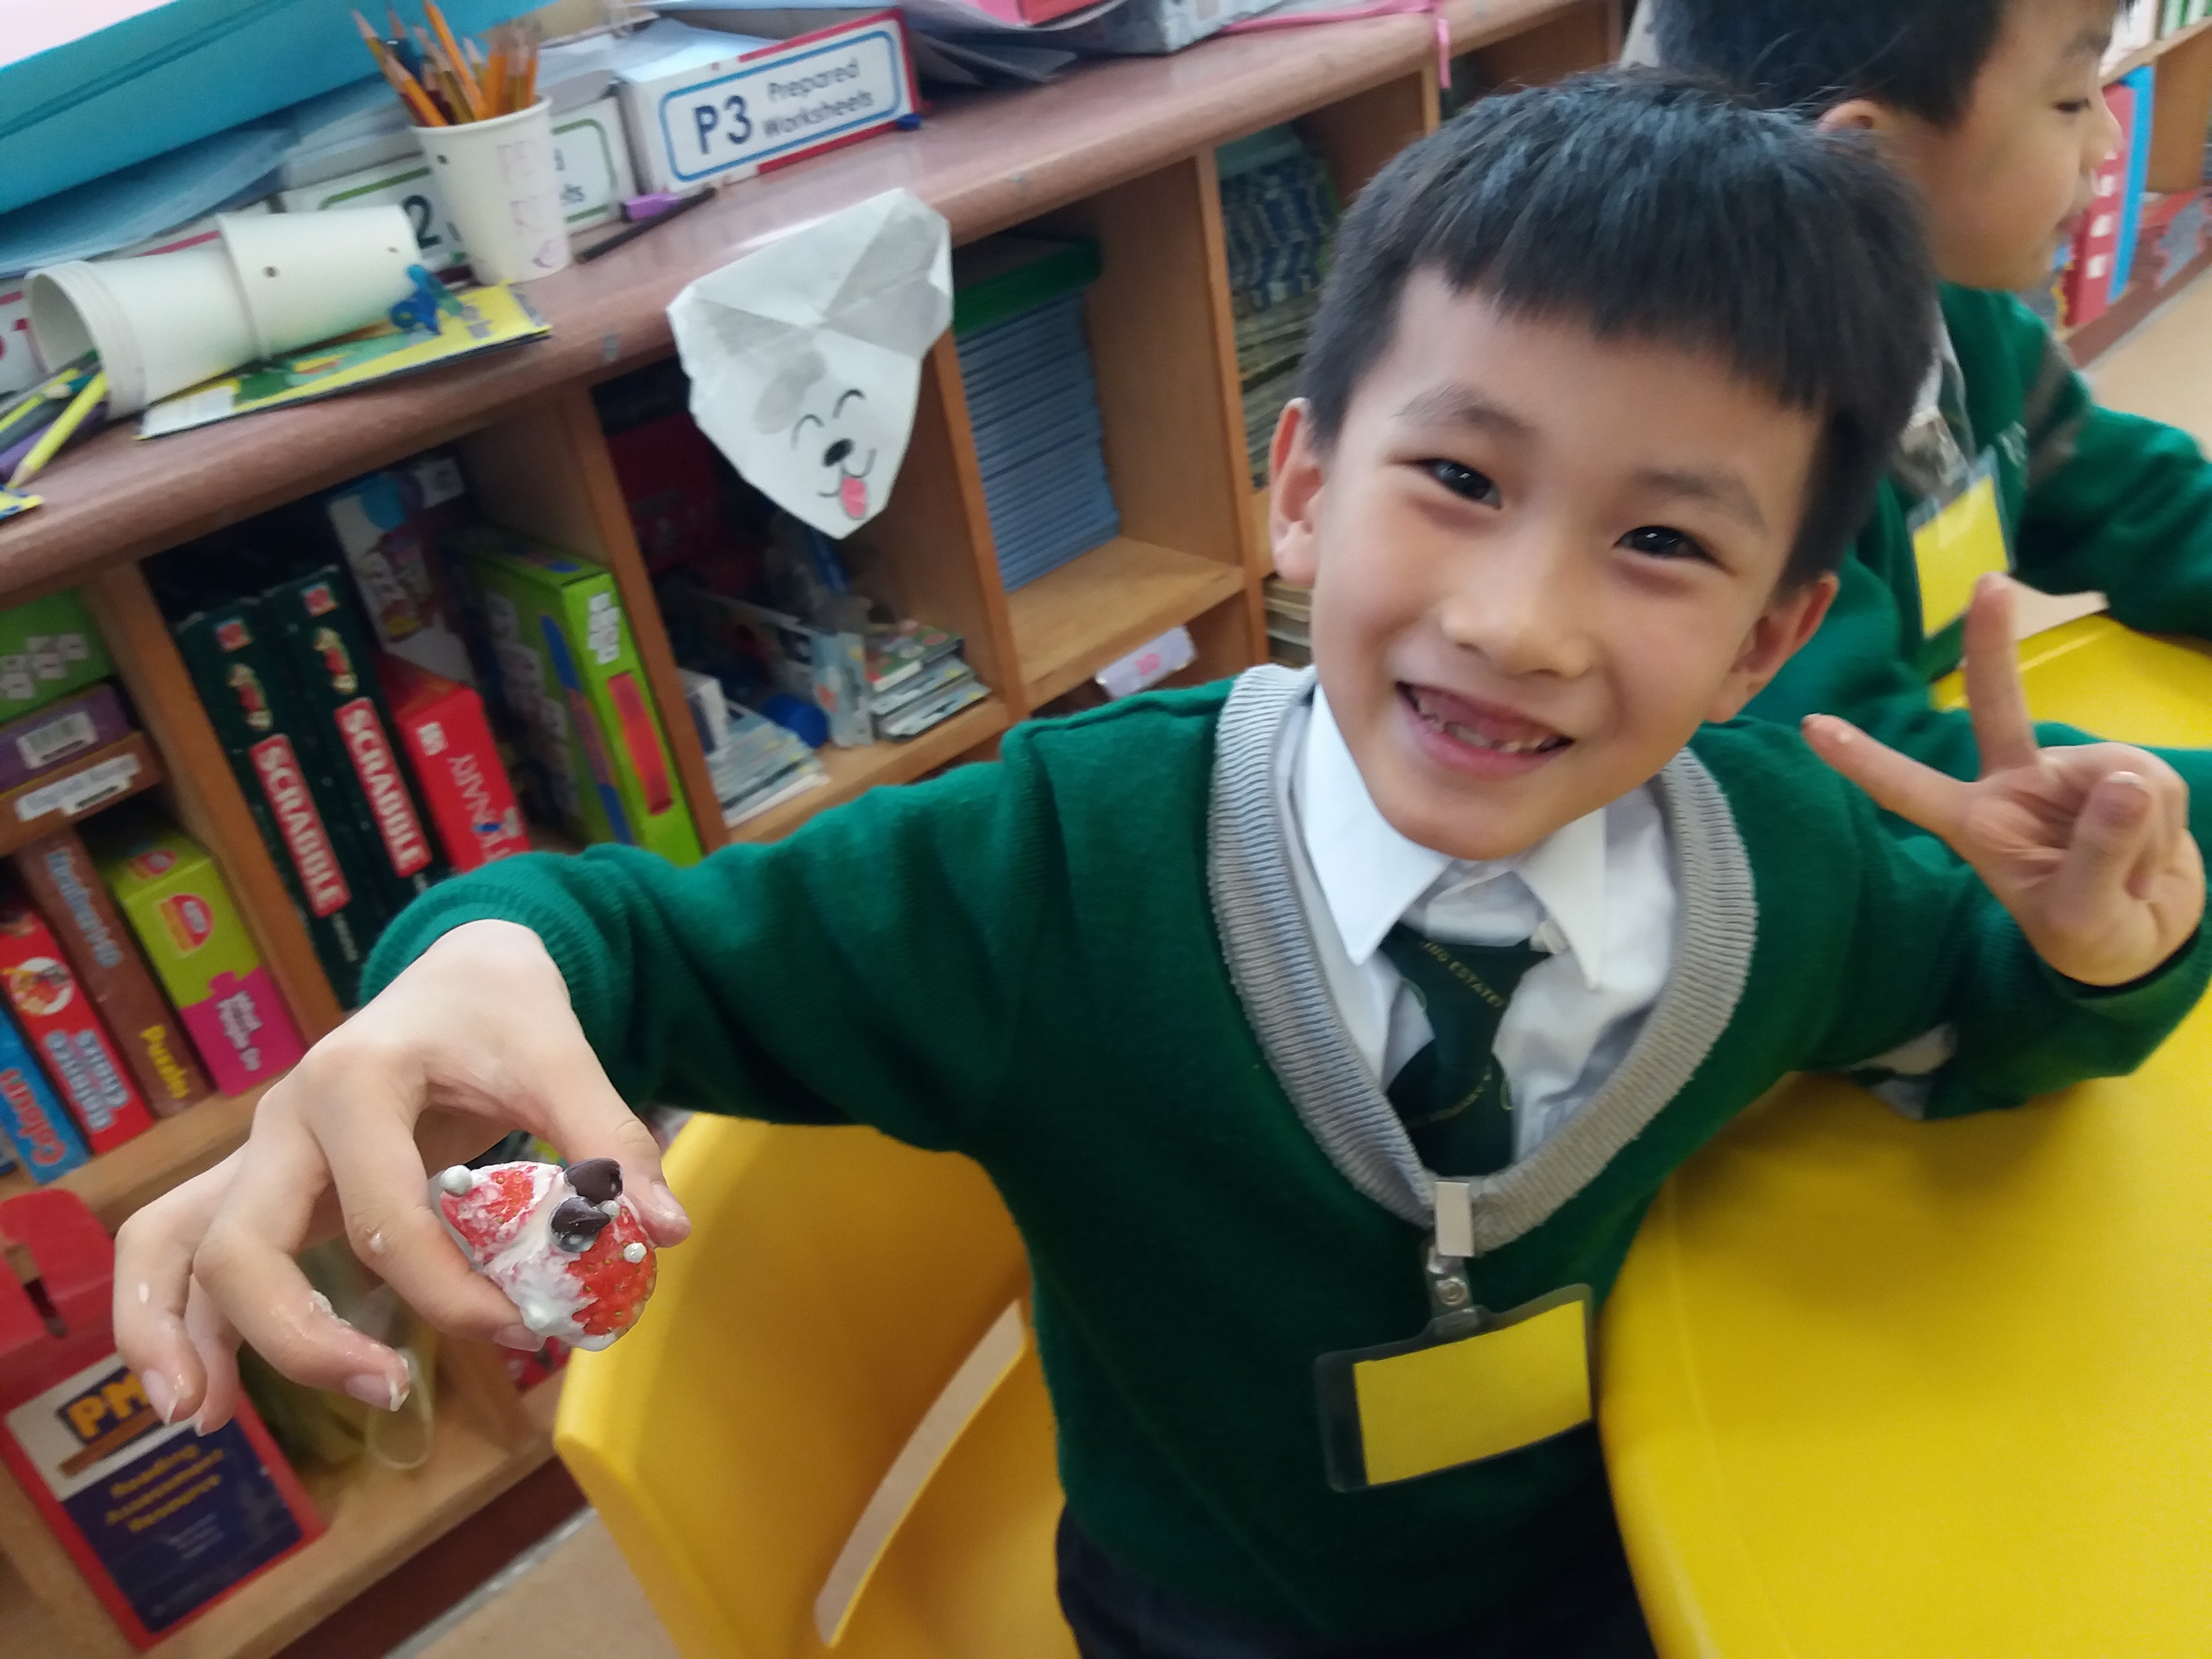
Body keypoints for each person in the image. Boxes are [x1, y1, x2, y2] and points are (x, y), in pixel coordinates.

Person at [112, 76, 2206, 1659]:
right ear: (1300, 484)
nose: (1520, 622)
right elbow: (641, 950)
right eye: (1456, 477)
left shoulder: (1783, 866)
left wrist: (2096, 958)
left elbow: (1971, 1009)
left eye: (1660, 541)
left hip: (1602, 1548)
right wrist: (472, 956)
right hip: (1206, 1609)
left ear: (1767, 635)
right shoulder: (1054, 863)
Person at [1650, 0, 2212, 838]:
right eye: (2069, 101)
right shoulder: (1731, 442)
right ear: (1868, 154)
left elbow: (2140, 502)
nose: (2109, 140)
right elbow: (1868, 773)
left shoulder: (1958, 315)